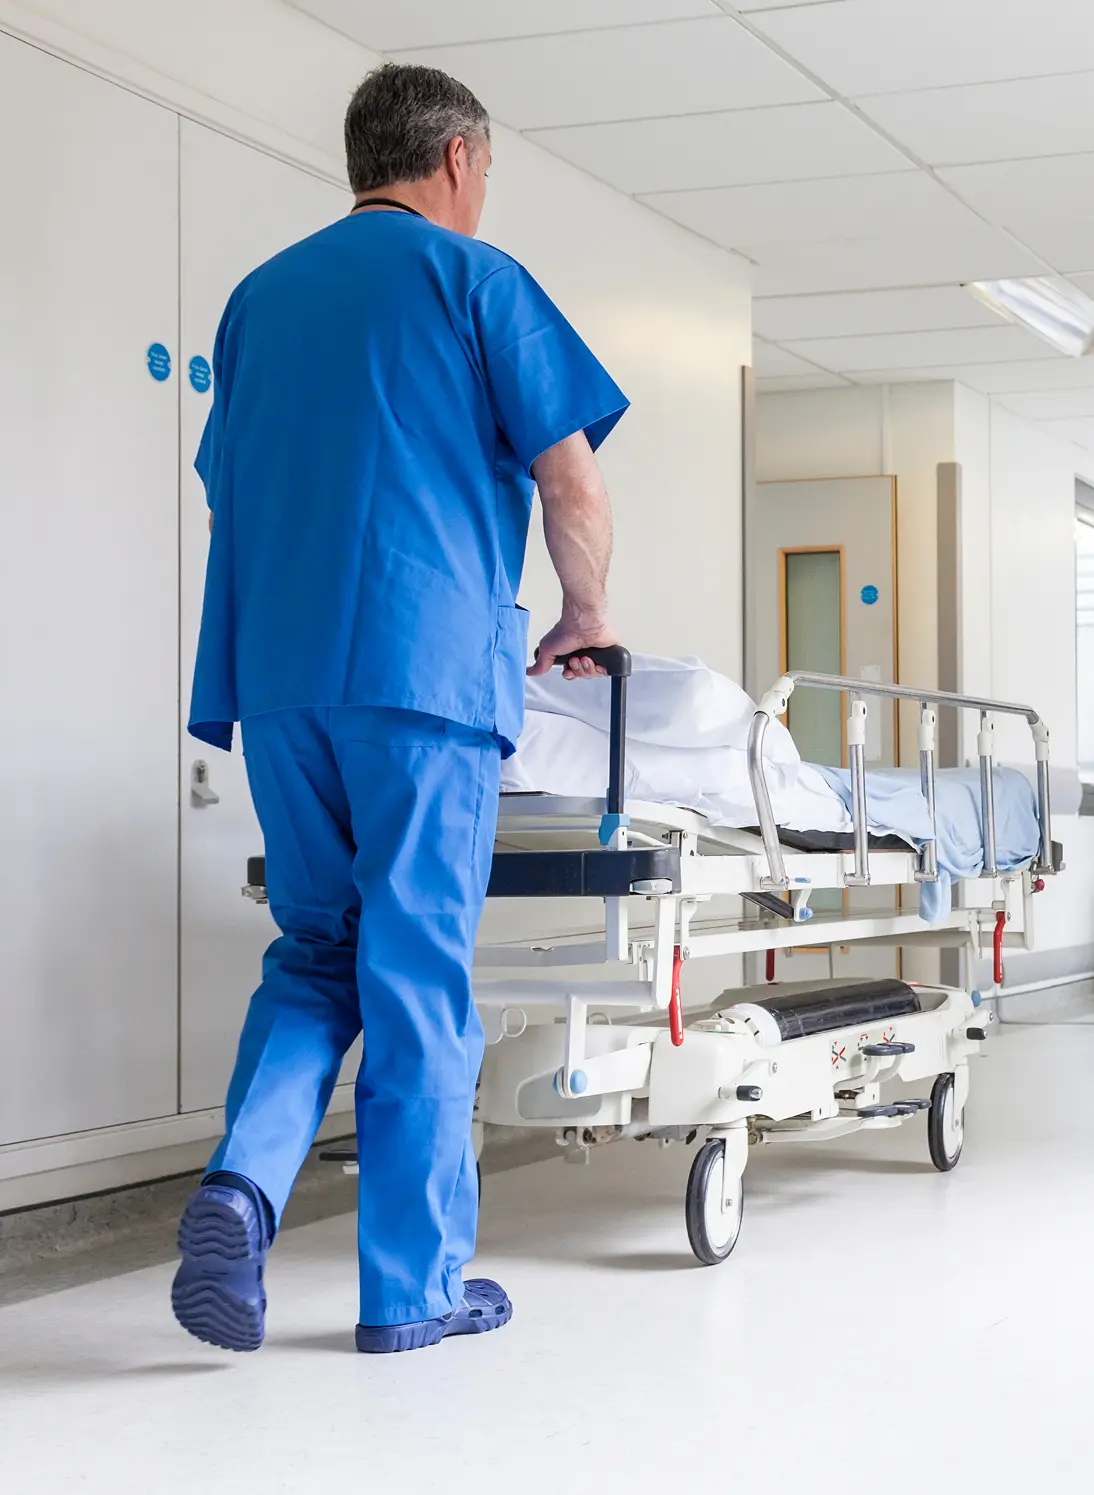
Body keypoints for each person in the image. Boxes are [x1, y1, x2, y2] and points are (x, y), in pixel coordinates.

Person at [172, 64, 630, 1355]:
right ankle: (411, 1289)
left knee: (317, 953)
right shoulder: (479, 282)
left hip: (280, 678)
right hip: (422, 683)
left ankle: (242, 1187)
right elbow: (572, 485)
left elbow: (231, 498)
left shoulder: (258, 302)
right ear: (462, 158)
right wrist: (584, 613)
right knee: (417, 971)